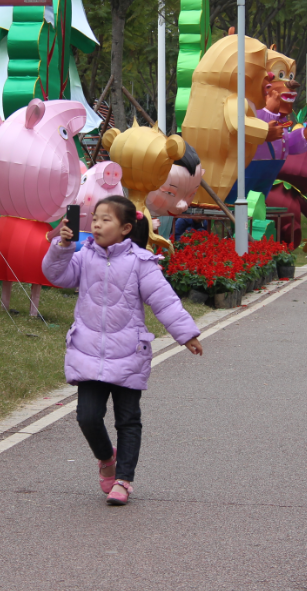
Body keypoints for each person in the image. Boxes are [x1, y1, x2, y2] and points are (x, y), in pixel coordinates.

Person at [42, 194, 203, 506]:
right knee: (87, 417)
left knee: (127, 420)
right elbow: (56, 275)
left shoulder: (140, 263)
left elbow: (164, 300)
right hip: (88, 353)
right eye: (95, 218)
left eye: (106, 220)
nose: (97, 224)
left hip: (129, 354)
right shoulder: (83, 255)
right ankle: (106, 458)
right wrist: (61, 247)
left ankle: (124, 480)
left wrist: (186, 334)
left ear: (126, 228)